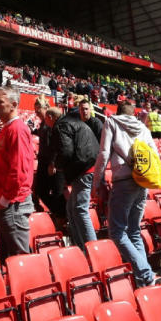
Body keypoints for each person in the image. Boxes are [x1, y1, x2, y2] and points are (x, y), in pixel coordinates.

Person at [93, 101, 157, 285]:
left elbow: (104, 152)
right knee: (134, 231)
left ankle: (146, 274)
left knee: (117, 232)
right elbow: (153, 153)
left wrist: (97, 182)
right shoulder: (143, 127)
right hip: (142, 179)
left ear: (118, 112)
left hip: (123, 179)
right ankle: (145, 278)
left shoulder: (111, 122)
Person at [0, 86, 35, 260]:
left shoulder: (17, 129)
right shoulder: (8, 128)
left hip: (13, 204)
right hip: (8, 203)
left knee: (20, 260)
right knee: (9, 257)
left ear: (14, 104)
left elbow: (19, 171)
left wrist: (4, 200)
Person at [50, 101, 100, 251]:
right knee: (72, 208)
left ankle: (93, 250)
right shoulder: (75, 122)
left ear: (51, 117)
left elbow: (66, 152)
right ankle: (80, 247)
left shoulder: (61, 125)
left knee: (80, 209)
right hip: (88, 166)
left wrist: (57, 166)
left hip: (83, 169)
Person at [33, 98, 65, 220]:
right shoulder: (43, 125)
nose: (36, 113)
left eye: (38, 110)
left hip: (51, 163)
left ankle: (61, 215)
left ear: (46, 109)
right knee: (41, 191)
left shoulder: (51, 125)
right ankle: (60, 213)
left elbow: (56, 145)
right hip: (43, 162)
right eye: (35, 111)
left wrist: (53, 163)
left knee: (57, 193)